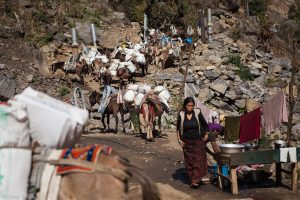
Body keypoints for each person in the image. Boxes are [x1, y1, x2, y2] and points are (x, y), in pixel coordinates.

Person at [177, 97, 209, 188]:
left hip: (198, 140)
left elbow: (205, 125)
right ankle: (192, 179)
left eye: (192, 106)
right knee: (189, 161)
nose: (190, 107)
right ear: (185, 105)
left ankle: (195, 180)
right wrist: (179, 140)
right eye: (188, 105)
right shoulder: (181, 114)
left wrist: (206, 134)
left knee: (198, 160)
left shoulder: (197, 113)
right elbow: (178, 129)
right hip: (186, 142)